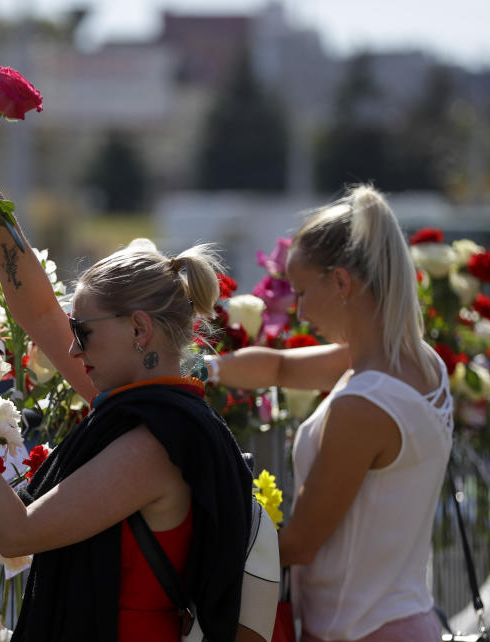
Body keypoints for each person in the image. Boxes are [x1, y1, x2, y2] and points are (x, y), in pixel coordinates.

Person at [0, 167, 255, 641]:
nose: (71, 349)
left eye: (82, 332)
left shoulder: (155, 442)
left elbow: (17, 532)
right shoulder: (153, 407)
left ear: (139, 330)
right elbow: (40, 313)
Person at [204, 185, 453, 641]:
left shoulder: (366, 403)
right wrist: (204, 369)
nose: (298, 310)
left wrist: (197, 558)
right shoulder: (416, 363)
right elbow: (278, 367)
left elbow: (301, 542)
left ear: (341, 282)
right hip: (400, 620)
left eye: (301, 292)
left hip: (360, 631)